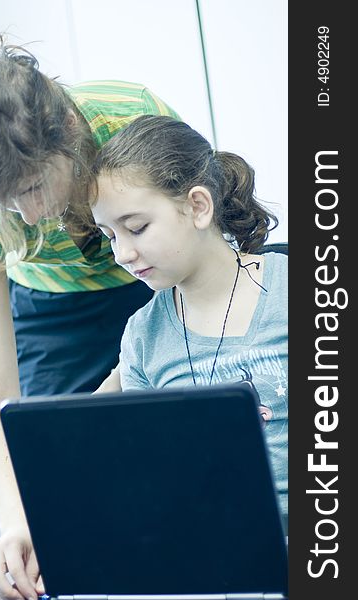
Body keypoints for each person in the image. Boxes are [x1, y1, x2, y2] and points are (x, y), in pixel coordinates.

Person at [0, 35, 180, 600]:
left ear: (66, 128)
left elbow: (205, 239)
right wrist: (17, 520)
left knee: (174, 471)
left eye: (34, 187)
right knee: (60, 512)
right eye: (7, 202)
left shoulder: (128, 116)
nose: (30, 214)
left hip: (158, 286)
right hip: (53, 315)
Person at [91, 114, 288, 524]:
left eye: (137, 228)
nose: (122, 254)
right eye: (111, 236)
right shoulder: (143, 337)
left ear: (198, 206)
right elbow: (154, 472)